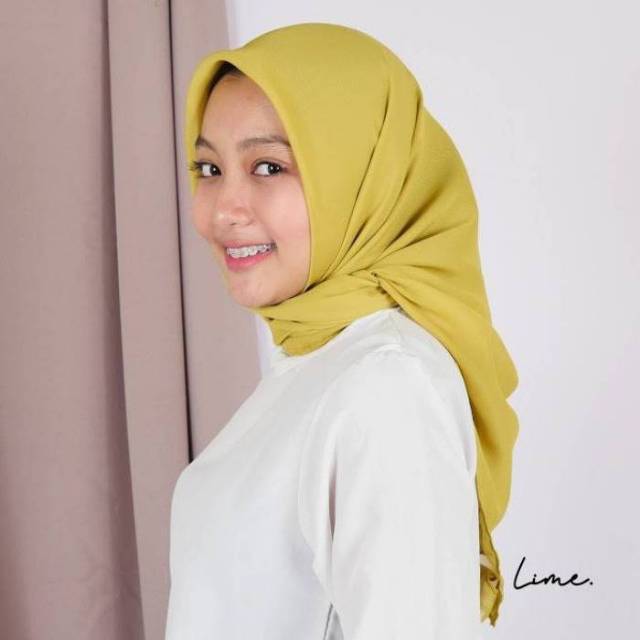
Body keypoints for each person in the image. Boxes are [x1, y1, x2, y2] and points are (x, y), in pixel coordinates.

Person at [165, 22, 519, 639]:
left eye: (268, 166)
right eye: (209, 167)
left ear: (361, 178)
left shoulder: (385, 385)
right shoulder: (320, 363)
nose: (222, 209)